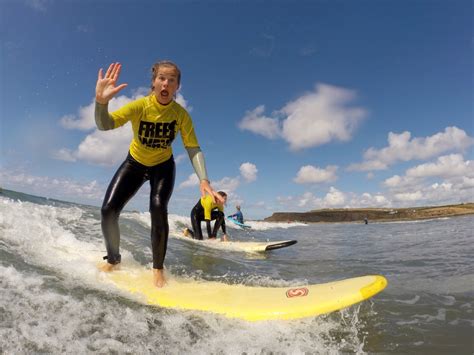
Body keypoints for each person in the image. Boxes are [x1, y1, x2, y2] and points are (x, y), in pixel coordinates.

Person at [95, 61, 224, 288]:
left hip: (162, 166)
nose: (166, 83)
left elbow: (192, 147)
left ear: (177, 86)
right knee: (108, 210)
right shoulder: (140, 106)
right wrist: (101, 102)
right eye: (162, 78)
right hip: (134, 163)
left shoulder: (180, 115)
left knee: (158, 207)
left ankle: (157, 269)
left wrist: (204, 179)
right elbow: (105, 124)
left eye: (171, 80)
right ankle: (113, 260)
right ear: (154, 82)